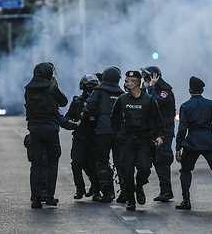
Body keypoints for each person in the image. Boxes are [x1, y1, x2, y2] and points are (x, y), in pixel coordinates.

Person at [175, 76, 212, 210]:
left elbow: (182, 129)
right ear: (202, 89)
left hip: (191, 143)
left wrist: (178, 148)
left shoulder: (185, 106)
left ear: (189, 90)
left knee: (185, 170)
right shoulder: (211, 104)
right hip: (209, 142)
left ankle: (186, 200)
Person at [111, 70, 165, 211]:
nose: (125, 83)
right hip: (127, 141)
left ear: (135, 83)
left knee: (144, 168)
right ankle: (131, 200)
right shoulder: (122, 99)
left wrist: (160, 136)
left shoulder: (149, 100)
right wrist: (118, 135)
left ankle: (139, 186)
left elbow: (158, 121)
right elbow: (114, 119)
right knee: (127, 171)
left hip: (143, 141)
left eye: (128, 81)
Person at [25, 62, 68, 209]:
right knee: (52, 163)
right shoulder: (51, 88)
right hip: (50, 129)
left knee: (35, 165)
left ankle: (36, 199)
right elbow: (63, 102)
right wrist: (56, 86)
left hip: (35, 129)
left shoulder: (28, 89)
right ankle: (50, 197)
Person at [82, 66, 125, 203]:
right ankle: (125, 191)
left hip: (103, 130)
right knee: (120, 162)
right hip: (118, 132)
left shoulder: (98, 91)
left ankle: (107, 192)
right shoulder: (122, 93)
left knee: (102, 161)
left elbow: (89, 106)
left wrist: (85, 116)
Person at [141, 66, 176, 202]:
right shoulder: (153, 90)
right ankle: (164, 191)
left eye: (146, 78)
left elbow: (155, 101)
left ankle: (166, 191)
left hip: (165, 131)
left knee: (162, 160)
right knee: (156, 160)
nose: (145, 81)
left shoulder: (164, 91)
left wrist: (150, 87)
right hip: (154, 130)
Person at [65, 73, 100, 200]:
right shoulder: (76, 101)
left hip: (93, 136)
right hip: (79, 136)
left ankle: (96, 190)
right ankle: (80, 189)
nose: (90, 87)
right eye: (88, 85)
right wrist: (71, 122)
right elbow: (67, 115)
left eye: (93, 86)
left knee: (93, 164)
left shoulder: (98, 102)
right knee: (77, 163)